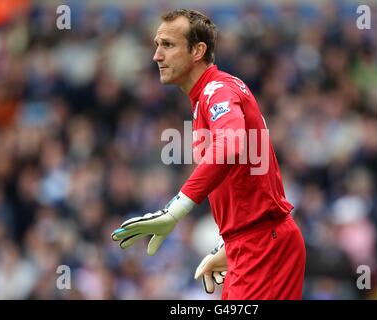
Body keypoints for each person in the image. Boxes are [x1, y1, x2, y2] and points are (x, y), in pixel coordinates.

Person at [111, 9, 306, 300]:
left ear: (197, 51)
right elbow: (247, 178)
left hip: (263, 247)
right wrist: (230, 245)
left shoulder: (217, 91)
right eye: (156, 45)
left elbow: (230, 145)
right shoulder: (211, 95)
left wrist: (174, 211)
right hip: (250, 245)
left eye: (168, 45)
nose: (156, 55)